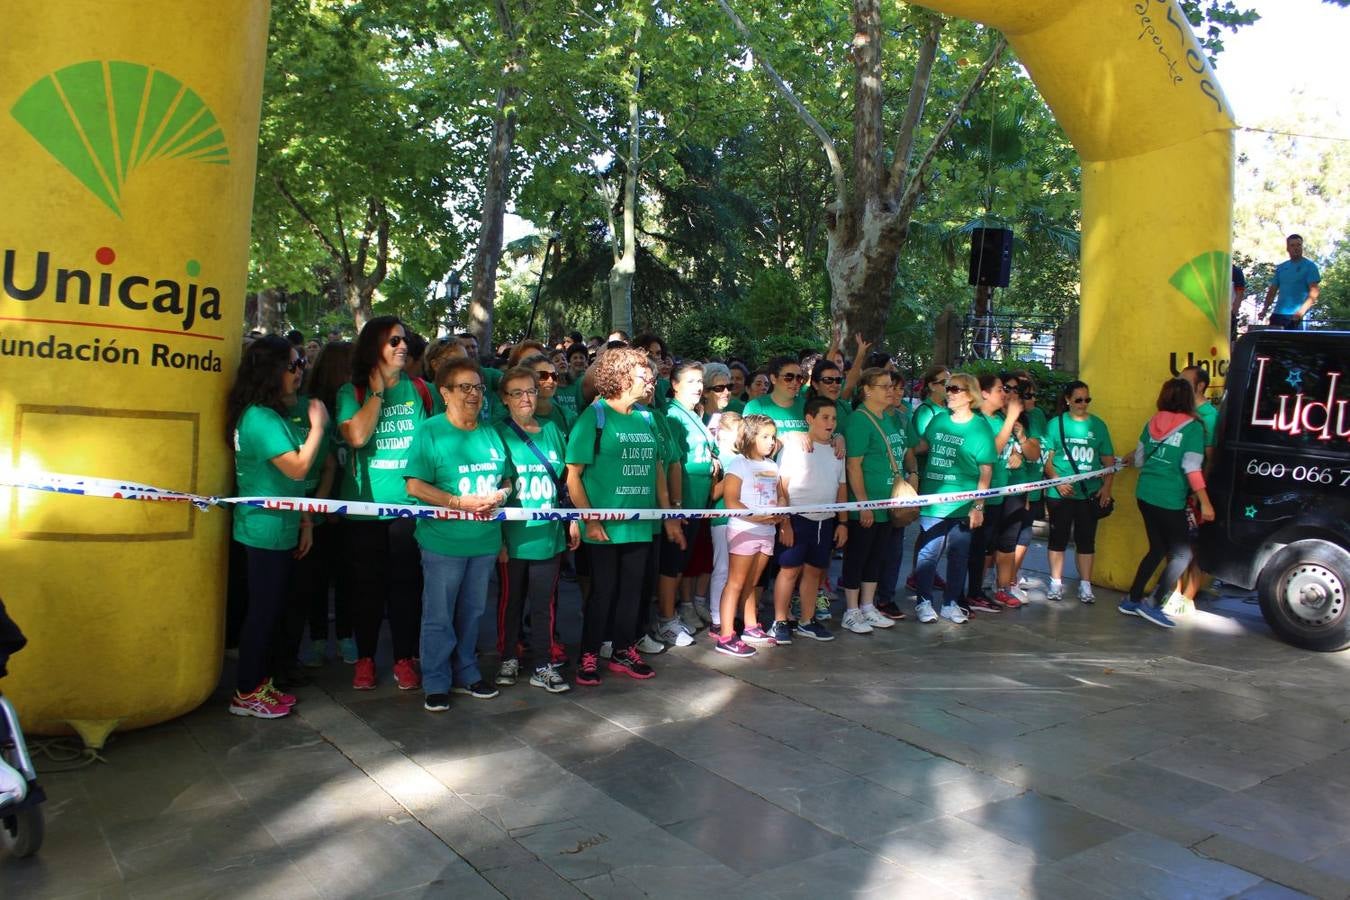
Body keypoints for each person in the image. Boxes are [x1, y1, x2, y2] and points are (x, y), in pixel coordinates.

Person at [225, 336, 330, 718]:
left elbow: (290, 482)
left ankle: (260, 682)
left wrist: (304, 520)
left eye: (301, 362)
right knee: (263, 613)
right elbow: (298, 468)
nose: (300, 371)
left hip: (282, 526)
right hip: (263, 531)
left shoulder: (270, 415)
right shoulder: (259, 417)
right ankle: (246, 692)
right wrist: (318, 427)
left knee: (274, 611)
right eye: (293, 365)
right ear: (271, 371)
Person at [336, 316, 443, 691]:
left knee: (406, 587)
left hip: (409, 508)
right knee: (366, 588)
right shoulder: (352, 392)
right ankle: (365, 659)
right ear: (373, 348)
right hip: (364, 509)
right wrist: (378, 394)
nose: (403, 346)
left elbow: (437, 445)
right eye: (393, 340)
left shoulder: (422, 390)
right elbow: (358, 437)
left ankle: (403, 658)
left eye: (405, 340)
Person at [565, 348, 683, 685]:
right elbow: (573, 476)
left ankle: (623, 650)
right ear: (619, 377)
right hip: (603, 527)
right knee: (604, 591)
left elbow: (658, 469)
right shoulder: (594, 416)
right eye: (643, 372)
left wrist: (668, 515)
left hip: (641, 525)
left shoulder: (647, 417)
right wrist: (590, 519)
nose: (651, 378)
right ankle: (589, 655)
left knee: (634, 591)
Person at [404, 358, 510, 710]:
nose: (473, 394)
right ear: (444, 392)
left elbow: (508, 477)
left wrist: (503, 494)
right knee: (439, 615)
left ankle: (467, 672)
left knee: (473, 611)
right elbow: (415, 485)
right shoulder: (430, 431)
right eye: (464, 387)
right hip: (443, 543)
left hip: (484, 543)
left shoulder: (490, 430)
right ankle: (436, 681)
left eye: (478, 387)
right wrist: (456, 502)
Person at [492, 367, 578, 694]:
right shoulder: (497, 432)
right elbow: (497, 483)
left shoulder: (554, 430)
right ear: (504, 399)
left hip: (548, 534)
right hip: (513, 537)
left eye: (530, 391)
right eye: (517, 393)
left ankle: (542, 664)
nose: (526, 398)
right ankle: (508, 657)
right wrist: (498, 538)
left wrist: (573, 521)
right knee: (510, 601)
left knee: (544, 604)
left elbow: (567, 482)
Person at [1120, 378, 1214, 628]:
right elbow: (1192, 468)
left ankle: (1132, 598)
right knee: (1182, 554)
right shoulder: (1194, 428)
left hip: (1145, 494)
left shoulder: (1152, 422)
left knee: (1158, 548)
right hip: (1170, 497)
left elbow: (1139, 459)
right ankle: (1153, 603)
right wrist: (1206, 502)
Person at [903, 373, 995, 625]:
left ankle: (951, 602)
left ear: (970, 395)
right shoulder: (940, 419)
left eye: (955, 389)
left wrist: (979, 505)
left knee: (959, 555)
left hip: (963, 504)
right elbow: (922, 446)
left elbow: (986, 470)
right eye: (948, 388)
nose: (949, 393)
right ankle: (923, 602)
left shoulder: (980, 427)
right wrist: (903, 441)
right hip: (933, 500)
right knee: (929, 553)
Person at [296, 341, 358, 667]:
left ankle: (346, 636)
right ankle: (319, 639)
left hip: (353, 506)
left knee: (348, 576)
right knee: (315, 576)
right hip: (317, 505)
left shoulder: (357, 402)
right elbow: (323, 462)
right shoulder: (313, 407)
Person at [839, 368, 912, 633]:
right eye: (884, 386)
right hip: (867, 503)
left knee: (877, 557)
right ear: (867, 390)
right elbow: (854, 465)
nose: (890, 391)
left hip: (887, 503)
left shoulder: (890, 418)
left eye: (892, 386)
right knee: (858, 556)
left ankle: (868, 606)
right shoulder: (859, 420)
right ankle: (851, 609)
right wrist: (863, 503)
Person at [771, 397, 847, 642]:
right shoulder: (795, 447)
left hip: (825, 521)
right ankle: (780, 621)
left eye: (834, 418)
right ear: (810, 419)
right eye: (825, 417)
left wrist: (843, 523)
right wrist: (785, 522)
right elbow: (781, 485)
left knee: (814, 572)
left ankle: (807, 619)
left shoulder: (838, 450)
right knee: (789, 570)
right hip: (797, 518)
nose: (831, 423)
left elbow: (841, 488)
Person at [655, 363, 718, 646]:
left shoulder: (693, 414)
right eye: (690, 381)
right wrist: (675, 504)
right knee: (672, 562)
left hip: (698, 502)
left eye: (700, 381)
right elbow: (672, 463)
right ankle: (665, 619)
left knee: (682, 561)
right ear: (674, 384)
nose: (698, 386)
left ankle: (673, 615)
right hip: (681, 503)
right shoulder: (671, 414)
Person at [714, 414, 785, 657]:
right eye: (764, 436)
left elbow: (781, 495)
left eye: (773, 437)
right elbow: (731, 501)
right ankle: (725, 635)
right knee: (735, 582)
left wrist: (779, 512)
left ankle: (751, 625)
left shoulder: (772, 465)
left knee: (752, 582)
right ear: (749, 436)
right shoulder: (738, 463)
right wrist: (757, 517)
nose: (771, 441)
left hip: (767, 531)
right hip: (744, 530)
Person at [1043, 381, 1115, 603]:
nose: (1083, 404)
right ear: (1067, 400)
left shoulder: (1098, 425)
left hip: (1088, 494)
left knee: (1086, 540)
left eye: (1087, 399)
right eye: (1078, 400)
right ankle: (1056, 583)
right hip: (1060, 494)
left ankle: (1085, 584)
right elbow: (1047, 459)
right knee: (1058, 538)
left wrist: (1106, 488)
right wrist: (1056, 482)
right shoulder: (1056, 424)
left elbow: (1108, 461)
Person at [964, 374, 1022, 615]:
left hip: (999, 493)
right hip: (981, 497)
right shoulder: (978, 421)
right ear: (984, 393)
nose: (1005, 394)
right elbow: (992, 449)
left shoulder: (999, 419)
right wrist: (1010, 420)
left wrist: (1016, 452)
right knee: (974, 547)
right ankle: (968, 594)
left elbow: (1007, 449)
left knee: (986, 547)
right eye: (1000, 389)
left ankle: (978, 591)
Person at [706, 410, 742, 632]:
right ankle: (717, 618)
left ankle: (730, 614)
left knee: (735, 572)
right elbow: (712, 494)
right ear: (724, 433)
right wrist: (732, 477)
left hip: (741, 521)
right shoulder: (718, 458)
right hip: (721, 520)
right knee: (721, 569)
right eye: (738, 432)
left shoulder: (741, 457)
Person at [1260, 234, 1321, 329]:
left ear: (1302, 246)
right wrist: (1264, 309)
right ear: (1287, 248)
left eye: (1298, 245)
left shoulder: (1309, 266)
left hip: (1296, 316)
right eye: (1292, 245)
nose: (1296, 248)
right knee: (1273, 343)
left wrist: (1301, 312)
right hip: (1278, 314)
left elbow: (1314, 292)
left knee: (1295, 343)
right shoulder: (1281, 267)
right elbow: (1272, 291)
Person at [744, 357, 810, 443]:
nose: (795, 382)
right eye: (789, 377)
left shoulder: (807, 406)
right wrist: (787, 438)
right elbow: (749, 443)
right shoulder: (755, 406)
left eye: (798, 378)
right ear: (773, 378)